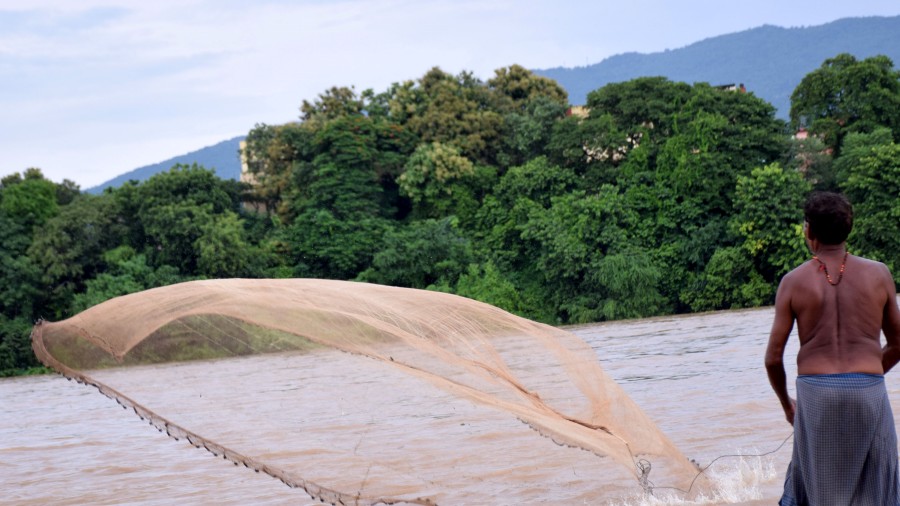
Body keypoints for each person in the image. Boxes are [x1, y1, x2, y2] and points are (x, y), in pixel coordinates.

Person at [765, 191, 900, 505]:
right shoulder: (879, 274)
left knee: (817, 487)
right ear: (848, 228)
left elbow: (773, 358)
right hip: (868, 390)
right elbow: (898, 343)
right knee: (875, 482)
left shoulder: (793, 282)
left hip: (815, 393)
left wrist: (787, 404)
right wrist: (864, 374)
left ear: (809, 231)